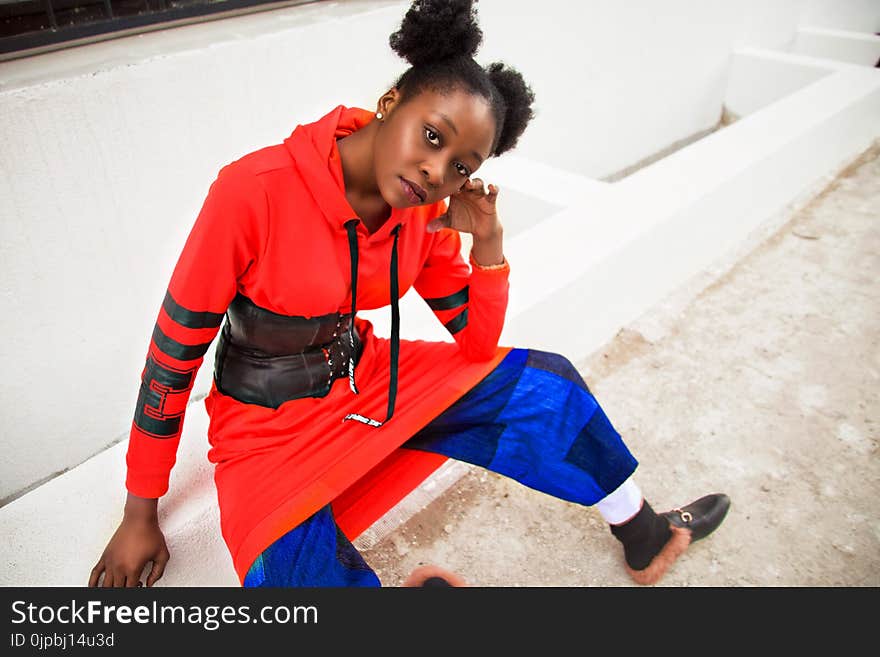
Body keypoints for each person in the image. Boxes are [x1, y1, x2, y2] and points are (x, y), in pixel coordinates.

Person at [88, 0, 729, 589]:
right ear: (393, 100)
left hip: (366, 382)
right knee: (290, 582)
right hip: (265, 431)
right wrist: (139, 511)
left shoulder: (422, 215)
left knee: (546, 386)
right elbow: (173, 356)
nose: (437, 170)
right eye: (433, 136)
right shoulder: (252, 190)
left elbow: (477, 344)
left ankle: (645, 534)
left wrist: (488, 247)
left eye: (462, 166)